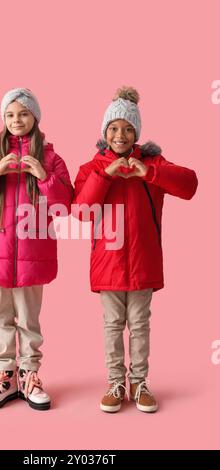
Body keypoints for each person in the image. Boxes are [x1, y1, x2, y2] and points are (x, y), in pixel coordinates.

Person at [73, 86, 198, 413]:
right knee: (112, 324)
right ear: (104, 132)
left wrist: (149, 171)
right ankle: (115, 382)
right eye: (114, 128)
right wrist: (106, 175)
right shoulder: (92, 168)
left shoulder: (153, 162)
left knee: (140, 324)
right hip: (108, 263)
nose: (121, 134)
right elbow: (80, 211)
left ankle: (139, 382)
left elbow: (190, 185)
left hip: (144, 262)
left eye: (128, 129)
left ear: (137, 133)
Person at [0, 88, 73, 411]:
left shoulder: (50, 158)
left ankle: (30, 374)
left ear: (35, 116)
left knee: (28, 318)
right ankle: (5, 375)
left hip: (33, 255)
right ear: (3, 118)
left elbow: (68, 202)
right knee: (0, 316)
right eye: (10, 114)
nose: (16, 120)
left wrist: (43, 175)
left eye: (23, 113)